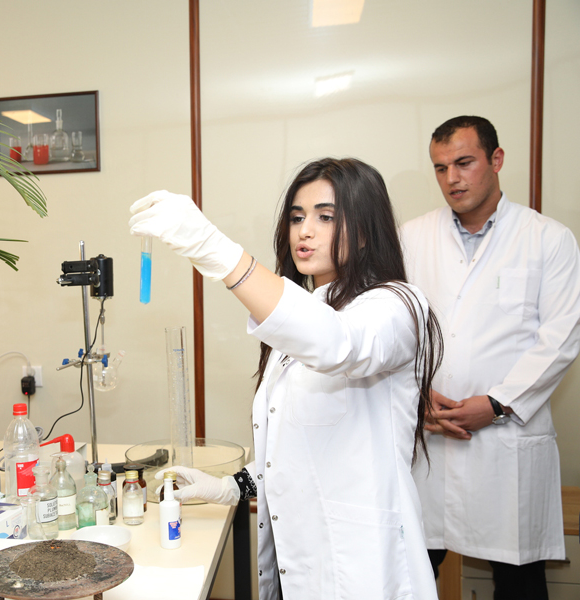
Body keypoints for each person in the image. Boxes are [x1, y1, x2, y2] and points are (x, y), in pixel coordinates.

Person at [129, 158, 443, 600]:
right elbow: (297, 452)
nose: (304, 231)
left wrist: (215, 250)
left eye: (325, 217)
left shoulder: (395, 307)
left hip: (364, 569)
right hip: (298, 564)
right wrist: (230, 486)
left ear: (367, 230)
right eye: (297, 217)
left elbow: (338, 344)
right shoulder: (304, 313)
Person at [400, 116, 580, 600]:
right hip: (432, 434)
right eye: (440, 168)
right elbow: (394, 329)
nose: (451, 179)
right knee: (408, 567)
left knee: (519, 580)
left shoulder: (548, 239)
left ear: (495, 160)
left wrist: (498, 403)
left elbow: (561, 338)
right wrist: (417, 397)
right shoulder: (411, 238)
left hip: (508, 438)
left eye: (463, 163)